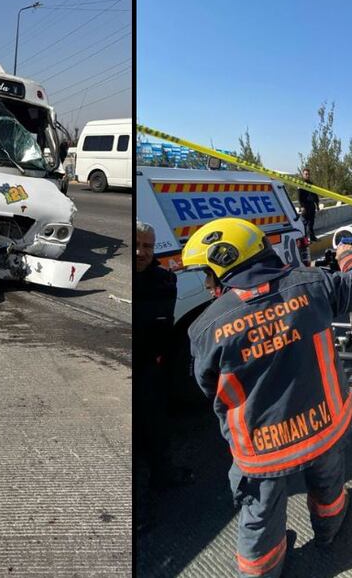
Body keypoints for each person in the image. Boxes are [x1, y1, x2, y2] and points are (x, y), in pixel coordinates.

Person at [183, 217, 352, 577]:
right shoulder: (314, 284)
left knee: (261, 516)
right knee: (329, 486)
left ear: (227, 261)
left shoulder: (207, 326)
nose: (209, 285)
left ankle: (263, 570)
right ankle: (329, 533)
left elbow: (208, 386)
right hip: (324, 426)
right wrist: (348, 254)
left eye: (208, 274)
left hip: (263, 447)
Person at [135, 221, 195, 532]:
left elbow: (167, 327)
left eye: (147, 246)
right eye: (136, 245)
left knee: (158, 426)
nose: (140, 252)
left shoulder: (164, 281)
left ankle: (164, 474)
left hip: (152, 366)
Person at [297, 168, 320, 241]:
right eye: (306, 174)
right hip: (305, 206)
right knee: (304, 223)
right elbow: (299, 197)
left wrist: (317, 205)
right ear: (303, 174)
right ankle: (305, 239)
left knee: (311, 223)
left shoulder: (311, 184)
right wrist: (302, 206)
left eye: (308, 174)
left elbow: (315, 195)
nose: (307, 175)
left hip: (311, 206)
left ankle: (312, 237)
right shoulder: (300, 184)